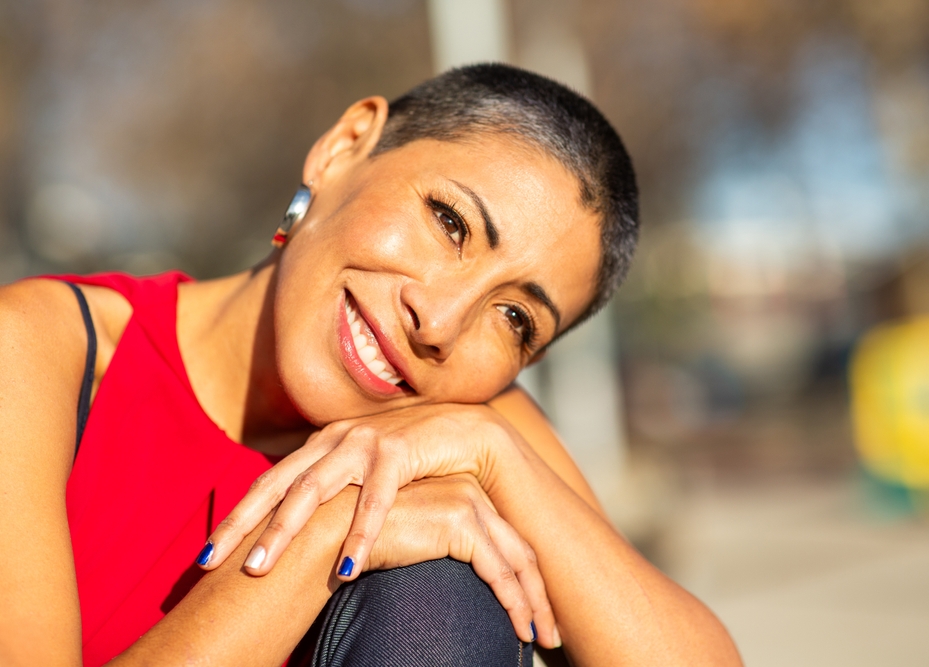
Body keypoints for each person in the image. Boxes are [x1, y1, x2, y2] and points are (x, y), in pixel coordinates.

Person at [0, 64, 741, 667]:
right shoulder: (42, 350)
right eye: (449, 222)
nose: (442, 322)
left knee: (443, 591)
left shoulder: (467, 416)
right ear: (342, 147)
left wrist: (494, 455)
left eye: (515, 318)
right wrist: (324, 539)